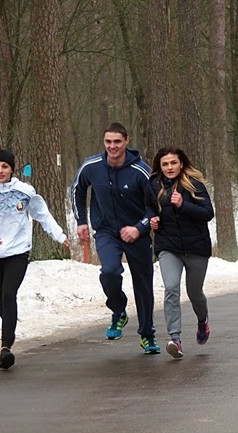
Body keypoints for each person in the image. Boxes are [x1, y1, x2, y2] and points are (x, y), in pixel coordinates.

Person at [0, 149, 70, 369]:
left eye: (5, 166)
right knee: (0, 302)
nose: (0, 171)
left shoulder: (24, 191)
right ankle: (10, 322)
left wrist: (59, 235)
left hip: (18, 251)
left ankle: (5, 348)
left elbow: (42, 214)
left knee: (9, 294)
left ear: (12, 169)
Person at [71, 123, 160, 354]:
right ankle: (119, 310)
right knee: (109, 272)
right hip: (106, 231)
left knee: (143, 284)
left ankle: (147, 335)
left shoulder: (141, 171)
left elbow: (155, 207)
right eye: (108, 142)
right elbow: (77, 188)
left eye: (117, 141)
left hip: (137, 233)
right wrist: (81, 221)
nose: (113, 146)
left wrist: (139, 228)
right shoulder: (92, 166)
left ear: (126, 141)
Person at [146, 146, 214, 358]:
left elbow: (208, 213)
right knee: (171, 288)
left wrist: (183, 205)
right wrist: (152, 219)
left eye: (173, 163)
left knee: (195, 293)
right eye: (165, 164)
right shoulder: (154, 185)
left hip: (196, 248)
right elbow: (148, 207)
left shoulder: (194, 184)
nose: (169, 167)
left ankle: (202, 320)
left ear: (181, 164)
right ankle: (175, 338)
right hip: (169, 247)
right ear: (160, 166)